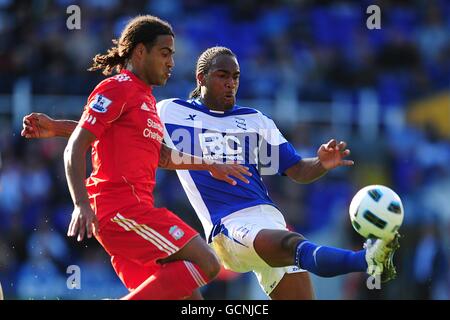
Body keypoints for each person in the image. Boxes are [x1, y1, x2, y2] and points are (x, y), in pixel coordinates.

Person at [22, 46, 400, 300]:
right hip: (229, 229)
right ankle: (364, 260)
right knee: (292, 244)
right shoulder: (170, 111)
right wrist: (57, 127)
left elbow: (297, 170)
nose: (231, 82)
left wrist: (323, 164)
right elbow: (113, 129)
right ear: (201, 78)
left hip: (267, 218)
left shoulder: (256, 120)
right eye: (222, 75)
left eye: (235, 76)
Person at [22, 18, 253, 300]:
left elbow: (161, 156)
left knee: (189, 299)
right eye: (165, 53)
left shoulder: (145, 100)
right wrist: (81, 203)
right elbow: (76, 146)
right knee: (207, 263)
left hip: (131, 214)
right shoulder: (119, 87)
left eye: (173, 56)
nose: (171, 63)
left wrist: (209, 164)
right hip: (121, 211)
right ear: (140, 52)